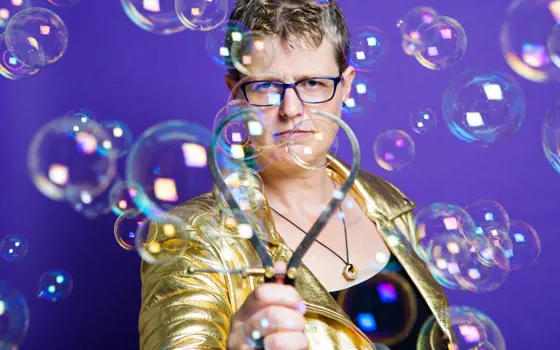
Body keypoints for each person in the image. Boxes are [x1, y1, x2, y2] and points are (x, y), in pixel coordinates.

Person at [139, 0, 453, 349]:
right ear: (236, 94)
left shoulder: (389, 206)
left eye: (314, 84)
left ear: (346, 86)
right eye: (265, 86)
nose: (291, 110)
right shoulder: (193, 240)